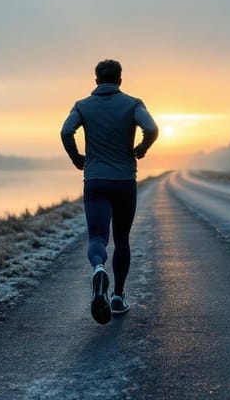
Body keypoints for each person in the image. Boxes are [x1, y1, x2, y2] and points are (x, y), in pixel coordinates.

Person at [60, 59, 158, 325]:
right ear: (120, 80)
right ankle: (117, 296)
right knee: (122, 240)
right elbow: (151, 128)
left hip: (95, 181)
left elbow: (66, 131)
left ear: (95, 81)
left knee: (98, 238)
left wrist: (76, 158)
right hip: (124, 181)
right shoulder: (133, 103)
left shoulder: (82, 105)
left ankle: (99, 269)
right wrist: (142, 148)